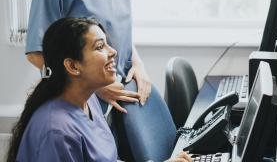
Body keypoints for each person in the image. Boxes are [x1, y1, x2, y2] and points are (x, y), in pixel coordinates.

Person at [6, 17, 192, 162]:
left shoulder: (89, 100)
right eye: (100, 47)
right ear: (72, 66)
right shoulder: (57, 132)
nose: (113, 52)